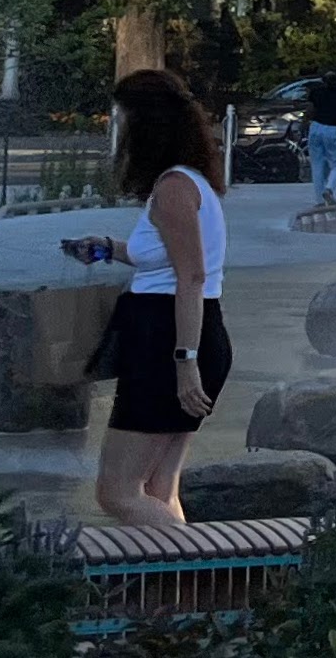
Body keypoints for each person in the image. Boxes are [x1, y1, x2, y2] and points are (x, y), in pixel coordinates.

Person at [92, 69, 233, 527]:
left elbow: (190, 277)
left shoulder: (173, 188)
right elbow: (169, 262)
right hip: (185, 332)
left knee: (117, 492)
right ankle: (172, 595)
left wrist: (184, 362)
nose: (118, 131)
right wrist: (106, 249)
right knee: (158, 488)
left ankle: (202, 571)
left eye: (122, 119)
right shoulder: (191, 182)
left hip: (169, 340)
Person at [302, 68, 336, 205]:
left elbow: (310, 110)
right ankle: (330, 189)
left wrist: (304, 123)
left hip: (316, 127)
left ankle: (319, 200)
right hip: (335, 129)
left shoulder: (316, 91)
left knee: (317, 164)